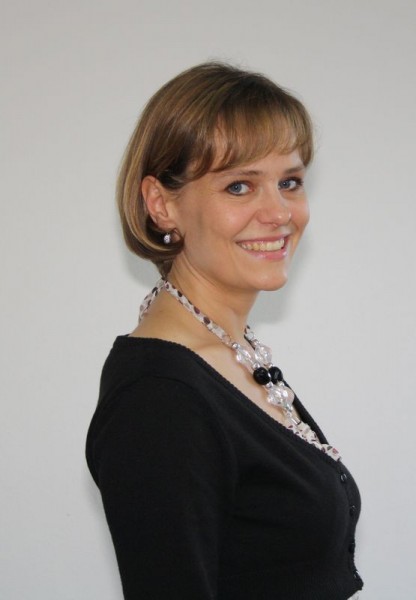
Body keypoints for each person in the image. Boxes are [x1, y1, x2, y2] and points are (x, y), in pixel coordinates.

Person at [86, 62, 363, 600]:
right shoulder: (160, 398)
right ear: (162, 204)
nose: (278, 212)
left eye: (289, 182)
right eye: (239, 186)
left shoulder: (230, 355)